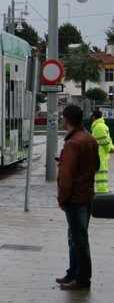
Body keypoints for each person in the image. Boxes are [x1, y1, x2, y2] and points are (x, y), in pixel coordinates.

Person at [56, 105, 99, 290]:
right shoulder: (89, 138)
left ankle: (81, 278)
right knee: (76, 236)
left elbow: (67, 177)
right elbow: (95, 165)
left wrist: (62, 199)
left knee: (78, 239)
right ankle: (72, 273)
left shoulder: (73, 143)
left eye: (62, 117)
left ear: (66, 120)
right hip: (87, 194)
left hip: (76, 198)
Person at [90, 109, 114, 193]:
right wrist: (111, 148)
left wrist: (109, 148)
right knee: (103, 172)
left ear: (93, 117)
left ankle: (102, 190)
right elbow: (108, 139)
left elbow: (104, 140)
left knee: (100, 173)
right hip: (102, 153)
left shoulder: (98, 127)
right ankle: (104, 189)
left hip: (100, 153)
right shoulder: (103, 125)